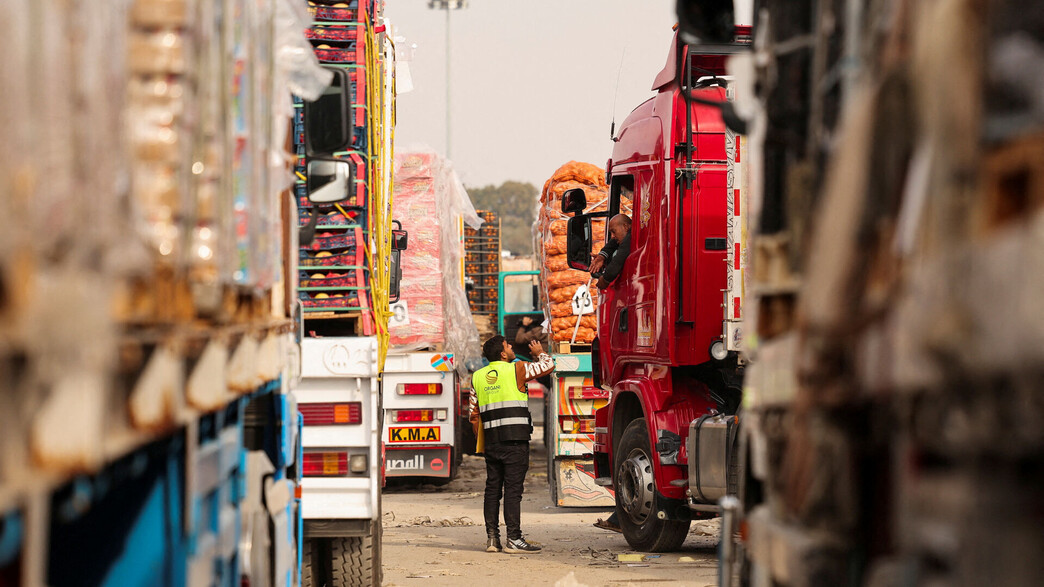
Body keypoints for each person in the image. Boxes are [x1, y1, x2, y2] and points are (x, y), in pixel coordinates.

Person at [470, 335, 554, 554]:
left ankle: (492, 539)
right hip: (515, 440)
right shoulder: (517, 369)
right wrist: (539, 354)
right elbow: (548, 366)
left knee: (492, 490)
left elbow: (473, 414)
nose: (511, 347)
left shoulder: (477, 377)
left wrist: (484, 441)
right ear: (502, 353)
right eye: (508, 346)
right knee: (513, 491)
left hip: (492, 442)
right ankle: (514, 539)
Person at [588, 214, 632, 289]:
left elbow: (618, 260)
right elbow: (613, 243)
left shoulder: (632, 236)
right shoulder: (626, 235)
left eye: (614, 232)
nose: (612, 236)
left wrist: (605, 280)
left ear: (625, 227)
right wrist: (602, 256)